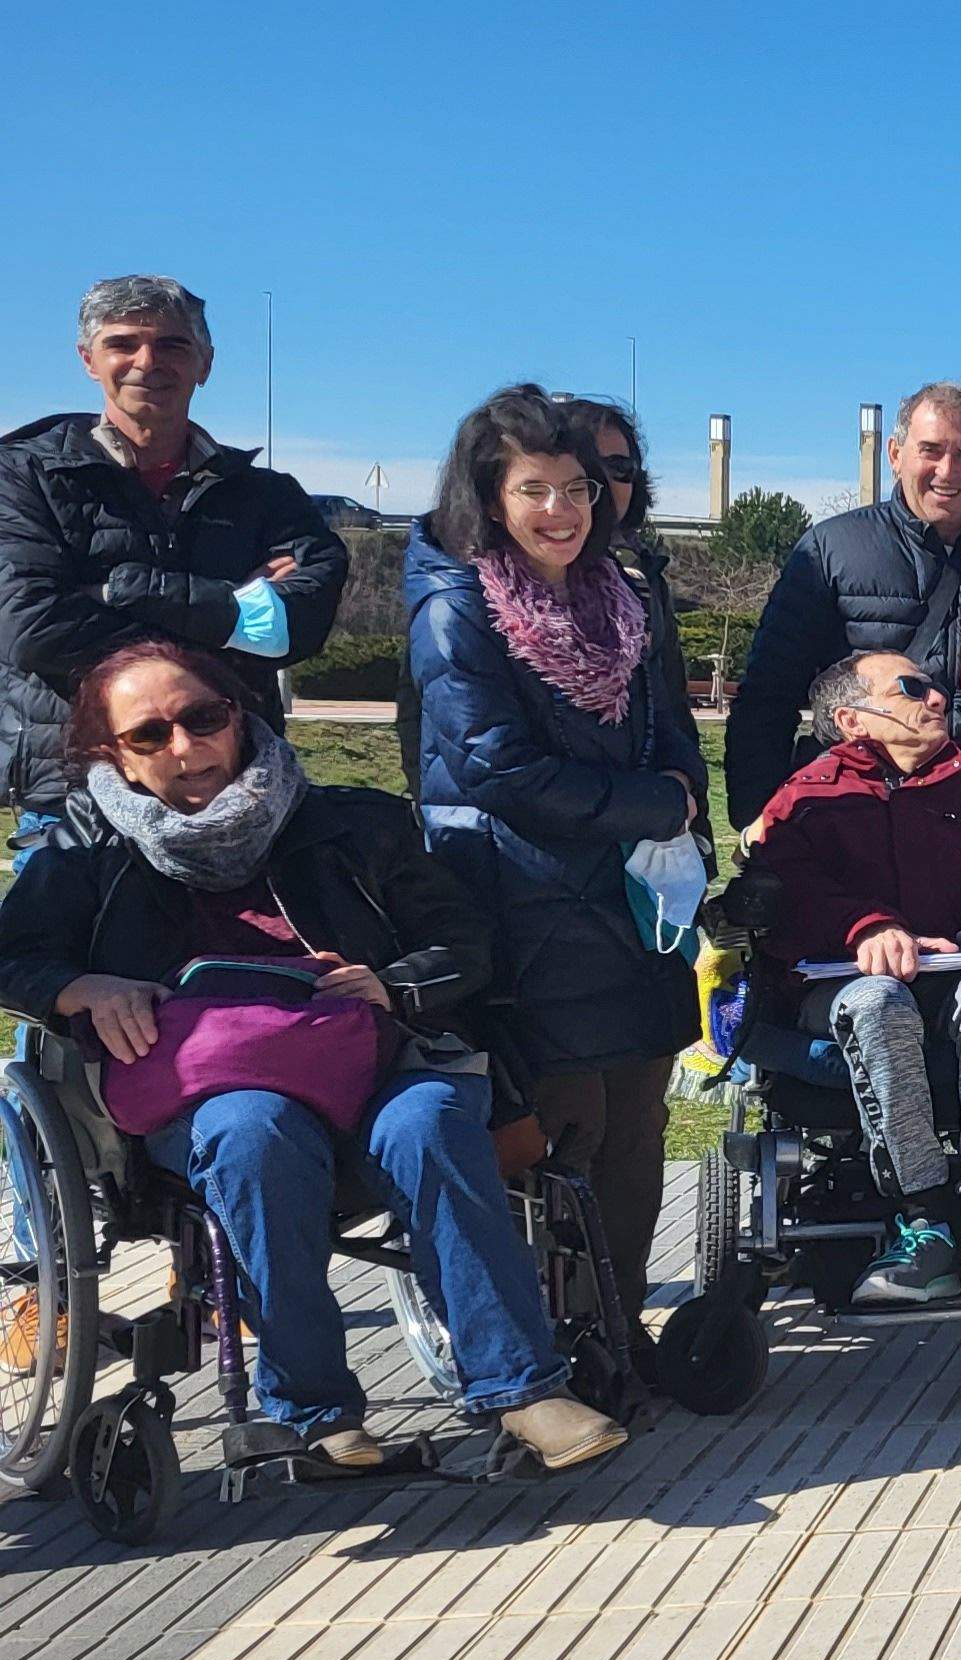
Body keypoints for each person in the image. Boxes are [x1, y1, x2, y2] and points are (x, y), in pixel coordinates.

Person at [0, 642, 622, 1469]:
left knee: (431, 1118)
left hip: (372, 1063)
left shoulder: (352, 822)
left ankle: (523, 1389)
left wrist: (396, 984)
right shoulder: (86, 850)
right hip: (206, 1087)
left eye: (203, 719)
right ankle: (314, 1412)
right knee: (251, 1132)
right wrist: (83, 987)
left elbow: (465, 942)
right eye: (150, 736)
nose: (186, 749)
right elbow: (16, 957)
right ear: (111, 753)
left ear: (239, 715)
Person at [408, 384, 710, 1314]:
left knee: (638, 1127)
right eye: (535, 489)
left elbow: (672, 731)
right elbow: (495, 767)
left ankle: (620, 1330)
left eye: (578, 488)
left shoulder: (624, 592)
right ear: (490, 496)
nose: (562, 511)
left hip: (631, 899)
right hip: (521, 900)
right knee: (564, 1129)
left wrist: (683, 810)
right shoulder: (459, 602)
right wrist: (654, 803)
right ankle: (556, 1336)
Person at [744, 651, 961, 1306]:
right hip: (850, 985)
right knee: (877, 1000)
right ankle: (923, 1225)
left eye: (936, 686)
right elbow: (779, 897)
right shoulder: (807, 801)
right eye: (912, 689)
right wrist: (867, 926)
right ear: (853, 719)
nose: (936, 699)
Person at [0, 276, 341, 842]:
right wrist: (234, 611)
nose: (147, 361)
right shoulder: (23, 479)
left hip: (237, 798)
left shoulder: (269, 496)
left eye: (172, 345)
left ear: (204, 363)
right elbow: (32, 629)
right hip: (76, 804)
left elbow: (298, 627)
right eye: (122, 343)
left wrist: (120, 589)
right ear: (88, 360)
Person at [726, 382, 961, 834]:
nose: (947, 470)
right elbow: (767, 698)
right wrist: (760, 823)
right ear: (895, 455)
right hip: (855, 825)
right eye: (931, 450)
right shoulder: (832, 550)